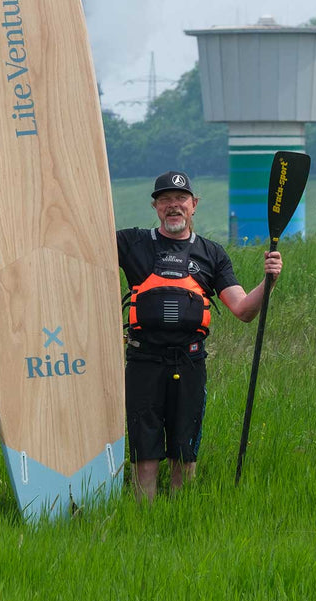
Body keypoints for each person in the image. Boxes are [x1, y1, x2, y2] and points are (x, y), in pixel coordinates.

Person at [116, 170, 282, 501]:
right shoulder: (130, 243)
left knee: (184, 448)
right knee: (144, 449)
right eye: (165, 200)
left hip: (189, 362)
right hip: (143, 360)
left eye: (180, 199)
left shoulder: (212, 254)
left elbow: (244, 311)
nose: (173, 206)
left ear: (194, 205)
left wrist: (269, 281)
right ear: (155, 207)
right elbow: (84, 246)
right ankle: (143, 518)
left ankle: (181, 516)